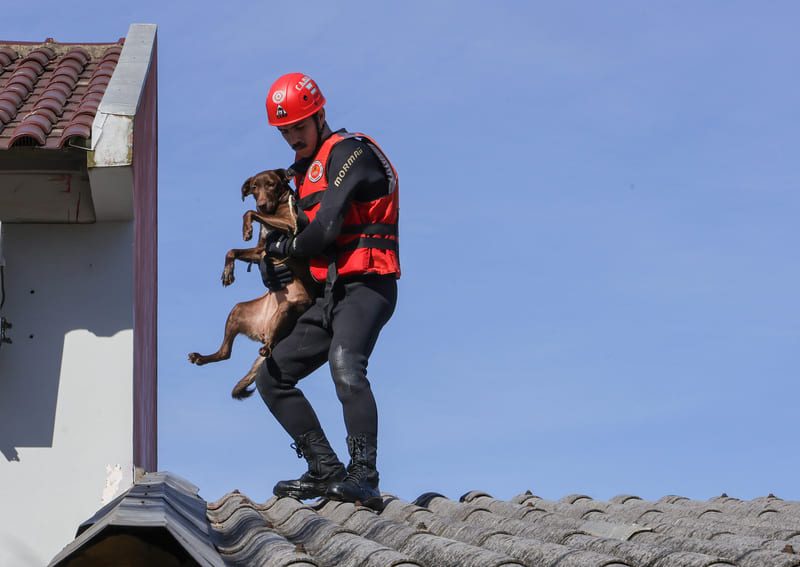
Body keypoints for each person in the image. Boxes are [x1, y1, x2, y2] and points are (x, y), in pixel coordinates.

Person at [254, 73, 400, 511]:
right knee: (272, 377)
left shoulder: (353, 152)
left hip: (369, 286)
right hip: (331, 294)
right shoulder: (302, 174)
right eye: (285, 131)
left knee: (345, 363)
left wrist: (286, 246)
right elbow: (307, 245)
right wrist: (273, 264)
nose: (293, 137)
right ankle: (325, 469)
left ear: (319, 115)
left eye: (299, 126)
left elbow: (327, 226)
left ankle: (365, 477)